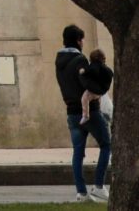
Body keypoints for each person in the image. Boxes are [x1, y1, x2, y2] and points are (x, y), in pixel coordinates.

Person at [55, 24, 110, 200]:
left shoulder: (58, 62)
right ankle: (99, 186)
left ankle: (81, 192)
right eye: (82, 40)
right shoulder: (80, 60)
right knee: (106, 144)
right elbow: (86, 83)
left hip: (71, 112)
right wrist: (99, 91)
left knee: (78, 153)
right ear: (79, 41)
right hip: (89, 112)